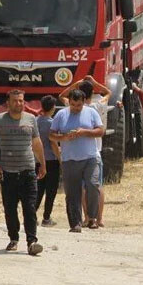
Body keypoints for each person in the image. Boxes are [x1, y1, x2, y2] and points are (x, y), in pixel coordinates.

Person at [0, 90, 46, 256]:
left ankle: (32, 242)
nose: (18, 104)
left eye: (21, 101)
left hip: (28, 171)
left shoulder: (31, 119)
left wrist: (42, 163)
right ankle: (13, 238)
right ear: (8, 102)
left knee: (30, 208)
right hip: (8, 173)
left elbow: (36, 142)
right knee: (10, 209)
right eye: (15, 101)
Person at [59, 76, 119, 227]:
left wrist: (76, 84)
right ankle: (99, 218)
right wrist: (95, 83)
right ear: (92, 93)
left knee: (83, 187)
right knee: (96, 186)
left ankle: (87, 217)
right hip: (96, 150)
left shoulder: (73, 107)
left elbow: (61, 96)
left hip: (84, 151)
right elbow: (109, 93)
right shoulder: (99, 105)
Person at [49, 89, 104, 233]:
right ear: (69, 102)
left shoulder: (91, 113)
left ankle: (92, 218)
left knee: (93, 185)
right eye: (73, 105)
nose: (76, 108)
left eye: (78, 105)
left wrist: (84, 132)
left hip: (90, 157)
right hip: (70, 159)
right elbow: (51, 135)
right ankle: (75, 223)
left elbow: (100, 131)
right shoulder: (61, 115)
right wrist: (64, 138)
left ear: (84, 102)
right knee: (72, 192)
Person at [36, 95, 61, 227]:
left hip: (38, 160)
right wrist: (60, 158)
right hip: (51, 160)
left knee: (38, 189)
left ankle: (32, 215)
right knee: (51, 190)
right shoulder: (51, 123)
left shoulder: (35, 121)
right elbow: (53, 143)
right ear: (53, 108)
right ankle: (46, 217)